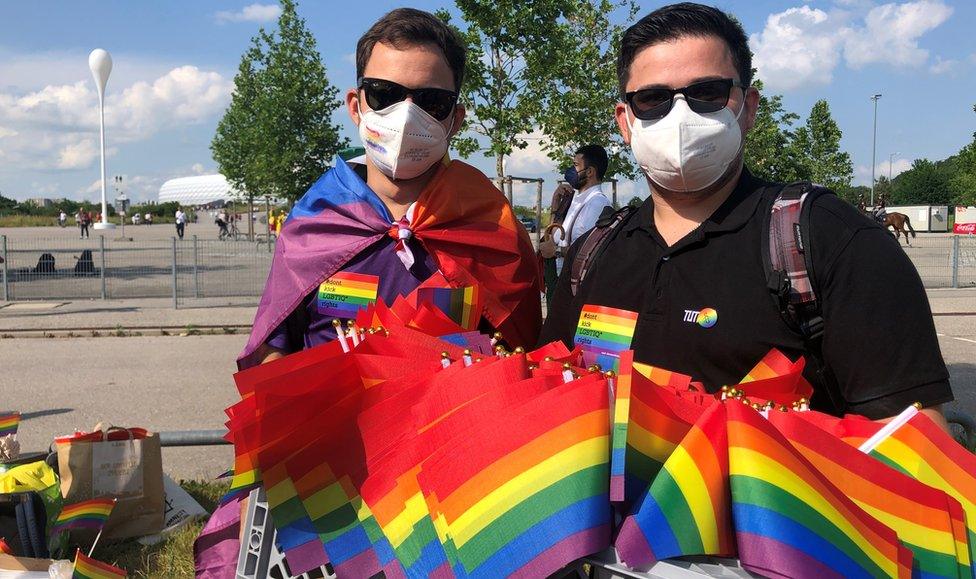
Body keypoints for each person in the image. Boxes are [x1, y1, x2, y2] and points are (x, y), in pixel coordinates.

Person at [540, 2, 952, 424]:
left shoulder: (835, 243)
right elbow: (549, 403)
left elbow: (912, 454)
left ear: (748, 107)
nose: (680, 116)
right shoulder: (593, 253)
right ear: (625, 122)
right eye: (653, 99)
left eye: (707, 93)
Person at [238, 7, 541, 369]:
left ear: (455, 120)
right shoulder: (313, 223)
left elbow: (526, 357)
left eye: (432, 102)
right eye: (385, 94)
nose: (407, 114)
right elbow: (272, 346)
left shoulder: (493, 230)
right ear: (356, 106)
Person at [553, 145, 613, 274]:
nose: (571, 170)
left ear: (590, 171)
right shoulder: (573, 199)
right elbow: (553, 236)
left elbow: (587, 252)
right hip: (561, 278)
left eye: (575, 165)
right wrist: (555, 202)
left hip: (576, 283)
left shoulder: (597, 203)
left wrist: (555, 251)